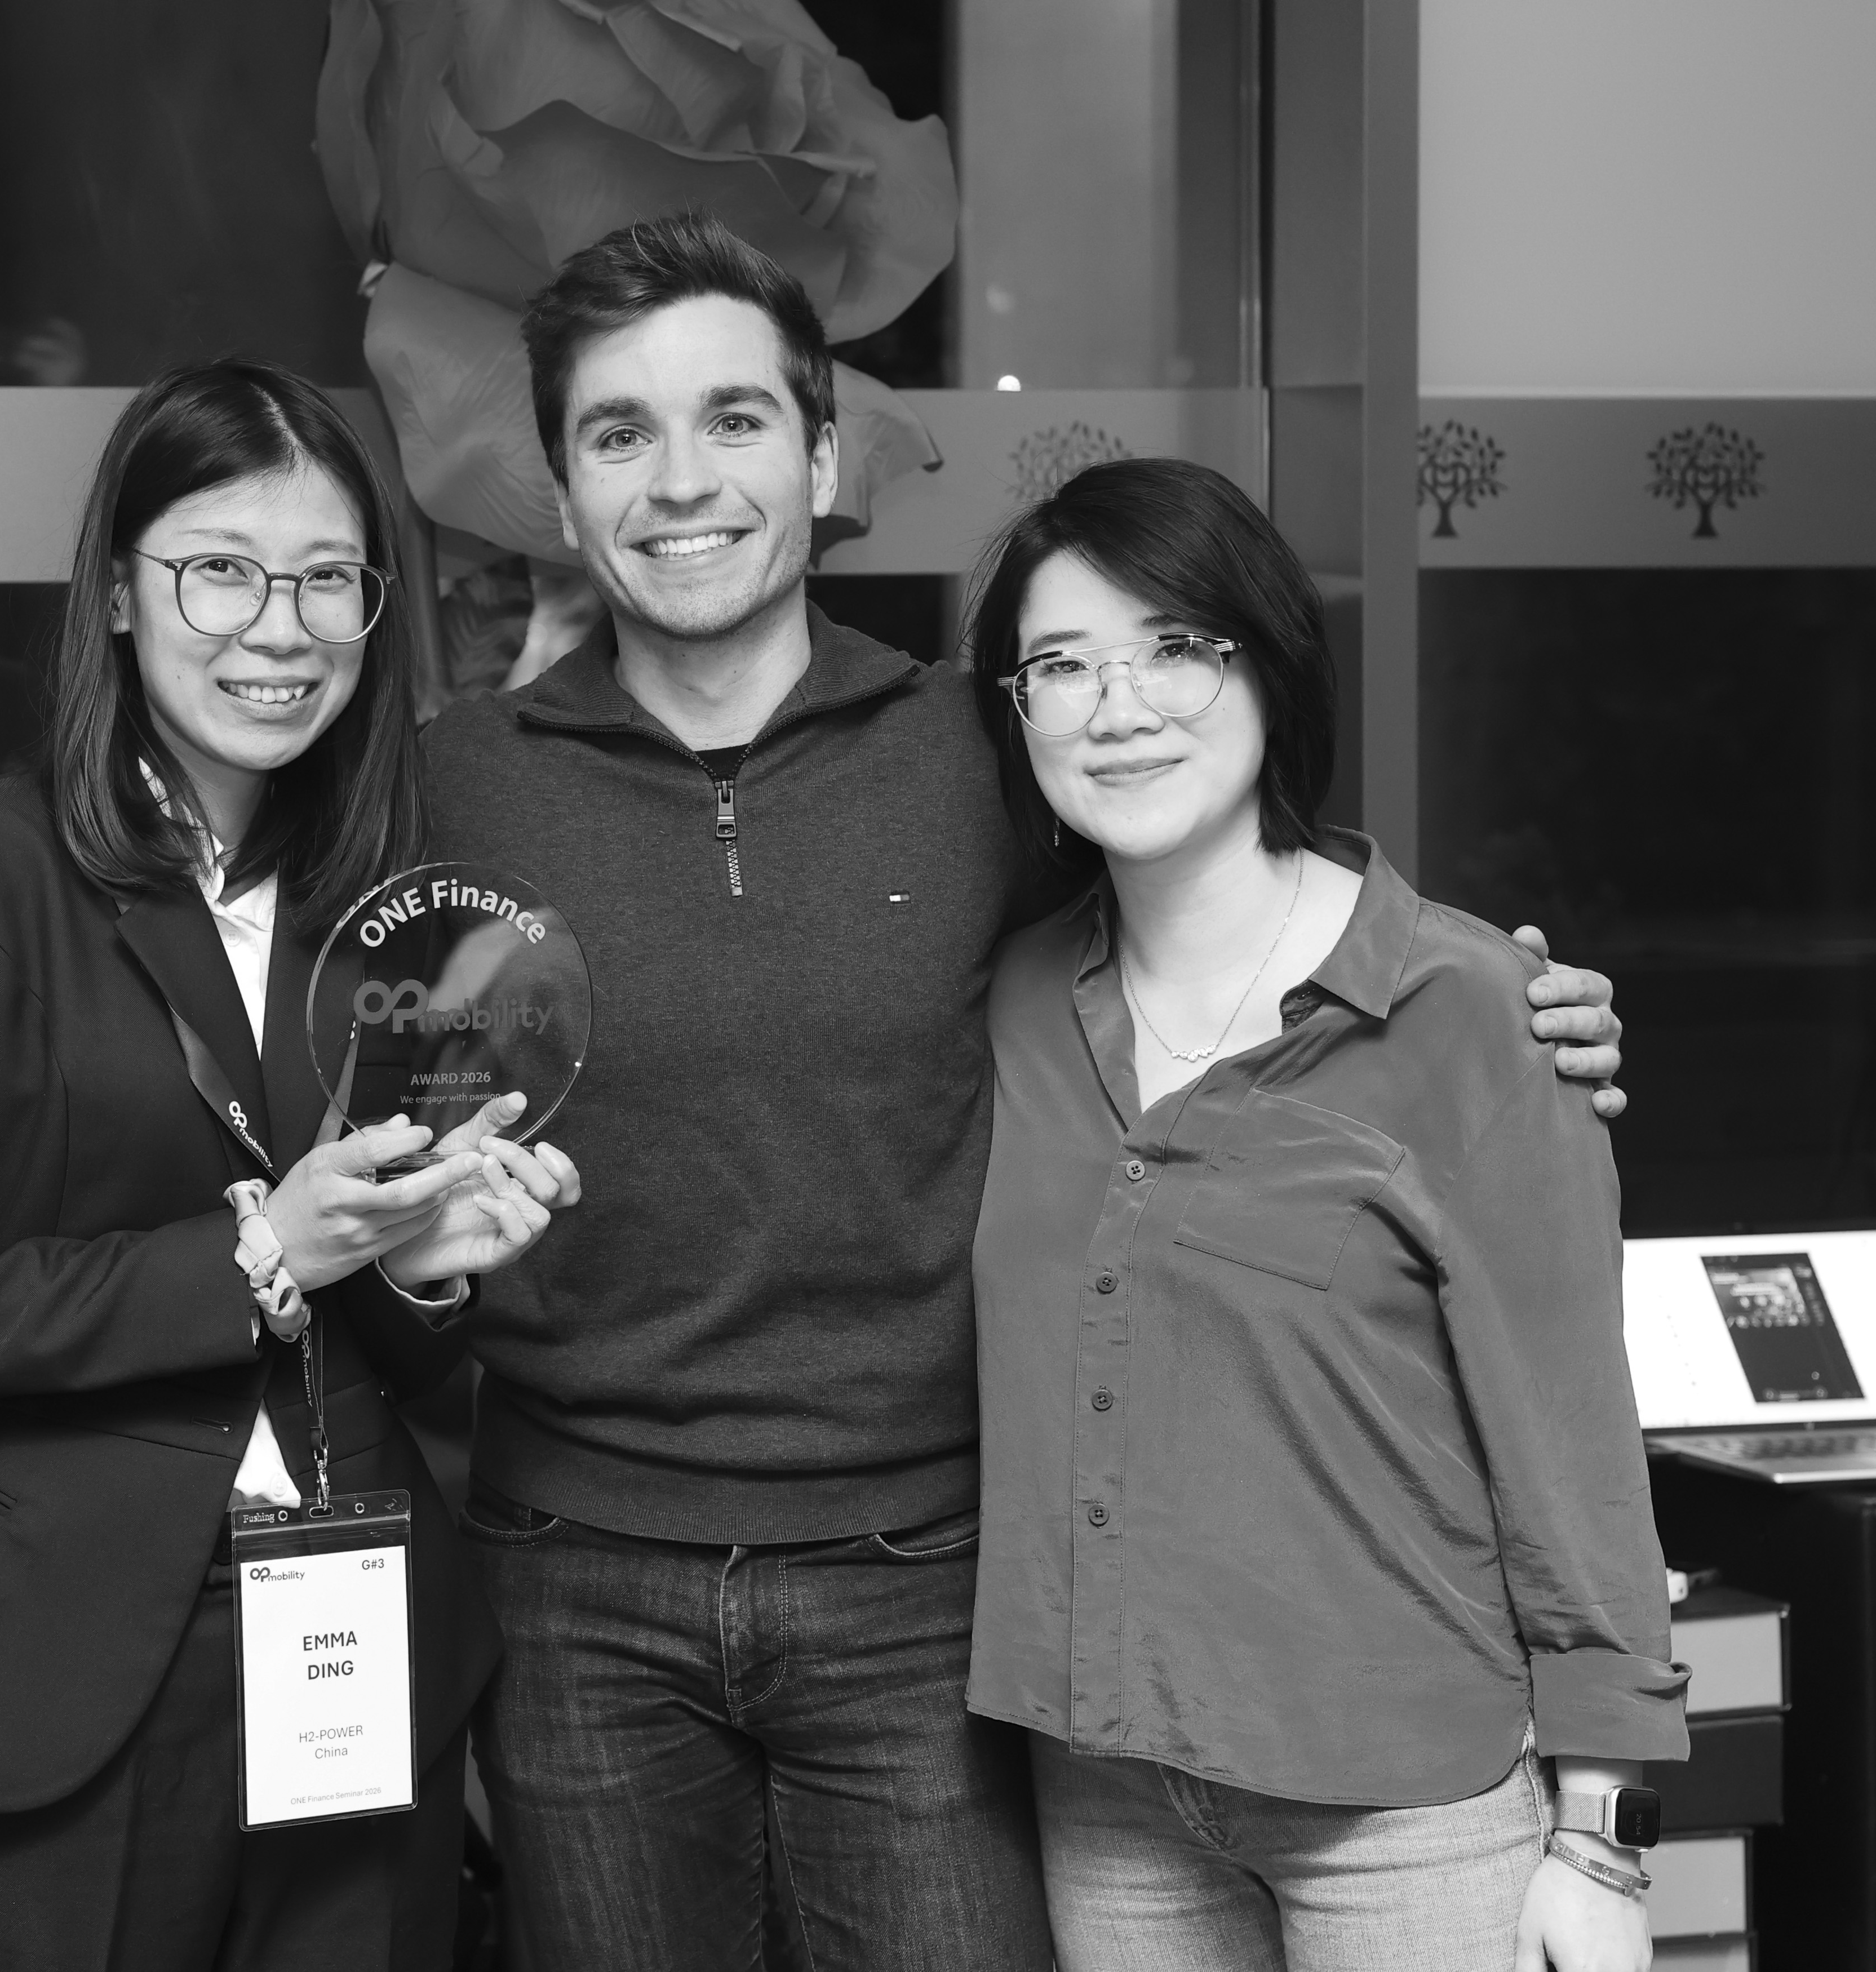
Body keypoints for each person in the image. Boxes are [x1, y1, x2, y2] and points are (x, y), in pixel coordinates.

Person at [415, 211, 1634, 1970]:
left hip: (931, 1577)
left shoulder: (977, 750)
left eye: (735, 419)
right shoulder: (450, 790)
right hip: (573, 1566)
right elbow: (332, 1083)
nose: (680, 480)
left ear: (821, 457)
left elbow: (1216, 876)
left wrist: (1492, 1004)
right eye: (619, 432)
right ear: (559, 481)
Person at [0, 359, 579, 1971]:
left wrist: (424, 1269)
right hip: (50, 1645)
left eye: (327, 580)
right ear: (118, 591)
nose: (278, 629)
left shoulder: (395, 908)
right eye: (221, 569)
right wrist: (258, 1252)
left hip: (348, 1625)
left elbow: (389, 1333)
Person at [965, 456, 1682, 1971]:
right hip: (1107, 1790)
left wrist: (1599, 1839)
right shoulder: (1010, 999)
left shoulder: (1473, 1008)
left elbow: (1571, 1440)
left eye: (1175, 647)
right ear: (1016, 713)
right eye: (1061, 666)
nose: (1118, 707)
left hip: (1405, 1806)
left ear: (1270, 668)